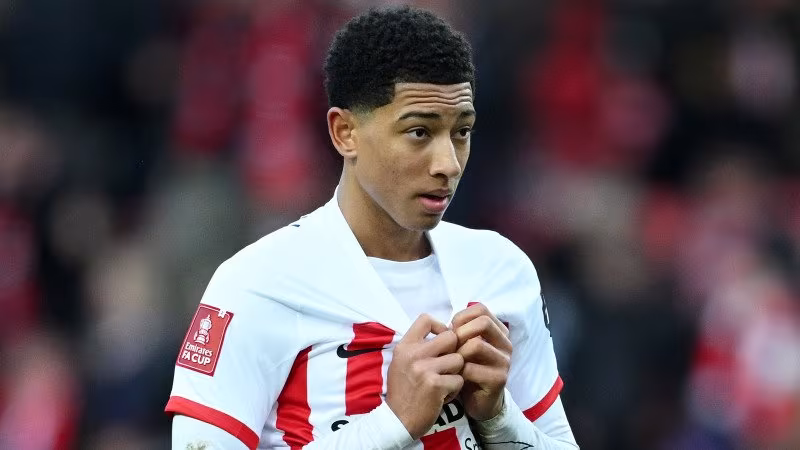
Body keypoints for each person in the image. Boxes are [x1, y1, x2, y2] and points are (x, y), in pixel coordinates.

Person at [167, 6, 578, 449]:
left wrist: (498, 418)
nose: (448, 163)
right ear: (345, 132)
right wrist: (393, 423)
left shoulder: (501, 269)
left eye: (462, 132)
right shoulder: (257, 285)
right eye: (419, 132)